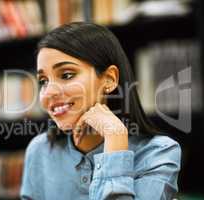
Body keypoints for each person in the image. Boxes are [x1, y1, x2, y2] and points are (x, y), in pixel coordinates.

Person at [20, 22, 181, 200]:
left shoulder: (158, 153)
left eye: (67, 75)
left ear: (109, 80)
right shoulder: (40, 151)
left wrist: (115, 138)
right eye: (43, 81)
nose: (49, 92)